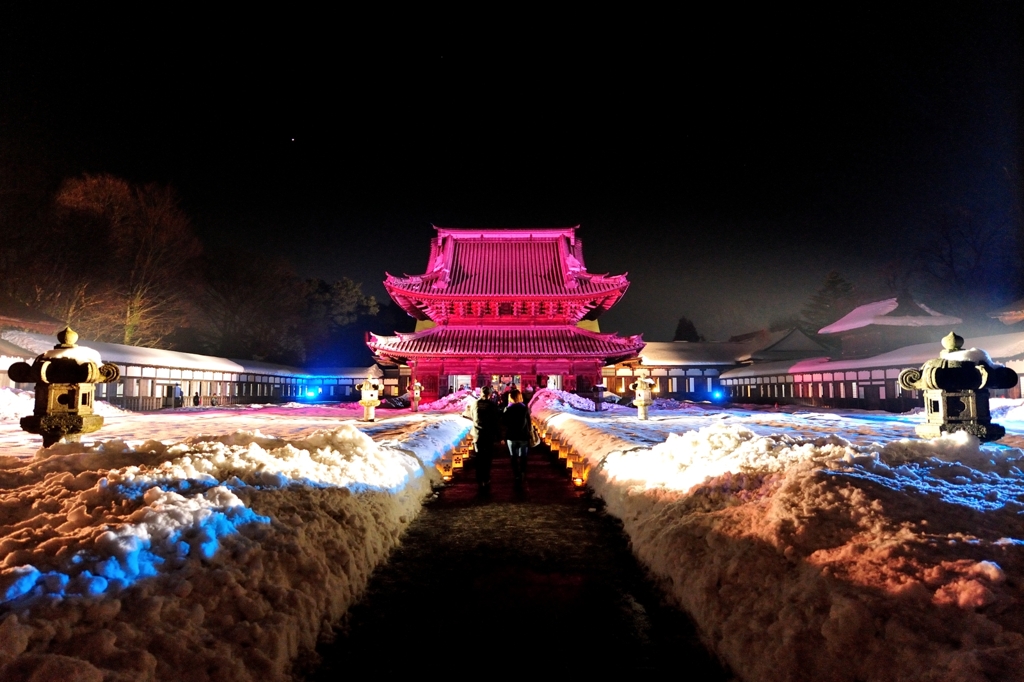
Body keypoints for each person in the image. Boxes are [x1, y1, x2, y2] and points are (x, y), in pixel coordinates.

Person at [462, 385, 502, 491]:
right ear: (489, 394)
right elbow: (495, 421)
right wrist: (500, 436)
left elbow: (470, 415)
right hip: (488, 435)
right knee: (487, 458)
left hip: (477, 434)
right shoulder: (492, 405)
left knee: (479, 457)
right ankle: (486, 477)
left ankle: (479, 478)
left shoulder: (474, 404)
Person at [501, 388, 532, 483]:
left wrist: (503, 437)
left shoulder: (508, 409)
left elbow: (504, 423)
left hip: (511, 436)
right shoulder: (524, 408)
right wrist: (529, 432)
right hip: (523, 436)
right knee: (523, 456)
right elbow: (529, 423)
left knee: (513, 457)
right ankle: (523, 472)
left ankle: (516, 474)